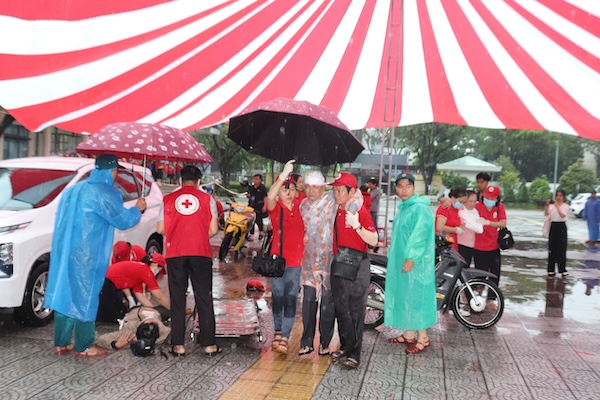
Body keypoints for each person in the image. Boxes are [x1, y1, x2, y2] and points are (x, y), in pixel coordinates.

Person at [44, 154, 146, 357]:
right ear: (111, 171)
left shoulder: (72, 189)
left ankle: (61, 343)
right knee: (85, 297)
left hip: (65, 252)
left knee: (66, 294)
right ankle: (84, 346)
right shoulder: (107, 193)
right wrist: (138, 209)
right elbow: (123, 220)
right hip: (87, 256)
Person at [157, 165, 219, 357]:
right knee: (204, 298)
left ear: (180, 181)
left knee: (178, 299)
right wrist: (198, 236)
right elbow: (214, 229)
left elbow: (160, 229)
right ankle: (209, 345)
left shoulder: (167, 200)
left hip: (176, 254)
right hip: (200, 253)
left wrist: (177, 235)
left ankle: (178, 345)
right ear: (199, 181)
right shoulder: (208, 199)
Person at [330, 172, 378, 369]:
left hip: (358, 264)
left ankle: (355, 353)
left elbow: (374, 240)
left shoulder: (360, 211)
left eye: (340, 190)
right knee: (341, 308)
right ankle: (346, 345)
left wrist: (357, 225)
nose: (336, 194)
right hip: (340, 262)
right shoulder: (337, 210)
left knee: (356, 309)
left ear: (351, 192)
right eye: (334, 190)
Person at [385, 173, 436, 354]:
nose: (403, 190)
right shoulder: (404, 208)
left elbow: (419, 235)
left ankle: (423, 337)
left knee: (415, 298)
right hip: (403, 262)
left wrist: (411, 258)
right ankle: (409, 334)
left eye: (408, 186)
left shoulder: (419, 209)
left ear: (414, 188)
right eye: (400, 186)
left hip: (415, 264)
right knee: (406, 295)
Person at [265, 161, 305, 355]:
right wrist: (283, 175)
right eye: (284, 188)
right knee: (278, 298)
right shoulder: (276, 208)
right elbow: (270, 196)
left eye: (291, 188)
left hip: (296, 263)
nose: (288, 192)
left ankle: (286, 337)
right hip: (277, 262)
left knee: (290, 299)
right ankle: (278, 331)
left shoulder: (301, 205)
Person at [97, 253, 170, 323]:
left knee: (116, 312)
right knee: (113, 316)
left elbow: (141, 297)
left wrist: (153, 310)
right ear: (155, 265)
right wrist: (174, 310)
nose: (157, 273)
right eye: (159, 270)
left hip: (104, 283)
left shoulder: (139, 270)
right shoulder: (146, 271)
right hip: (105, 284)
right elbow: (159, 296)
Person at [474, 185, 507, 306]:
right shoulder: (477, 206)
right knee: (480, 274)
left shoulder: (499, 207)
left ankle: (491, 299)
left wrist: (489, 223)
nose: (489, 199)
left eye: (492, 198)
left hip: (494, 246)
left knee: (495, 274)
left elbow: (503, 223)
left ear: (497, 198)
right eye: (487, 197)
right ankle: (476, 296)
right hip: (479, 247)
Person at [96, 307, 170, 353]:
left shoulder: (130, 330)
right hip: (142, 311)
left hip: (139, 311)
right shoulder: (130, 329)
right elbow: (101, 339)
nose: (151, 320)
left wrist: (115, 344)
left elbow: (101, 339)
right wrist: (115, 344)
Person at [545, 189, 569, 277]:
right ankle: (551, 269)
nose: (558, 197)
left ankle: (562, 269)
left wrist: (557, 206)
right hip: (553, 226)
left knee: (562, 248)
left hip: (561, 226)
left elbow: (563, 215)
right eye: (557, 196)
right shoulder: (552, 206)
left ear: (563, 197)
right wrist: (548, 205)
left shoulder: (565, 206)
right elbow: (546, 213)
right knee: (552, 247)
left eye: (560, 196)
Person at [457, 190, 484, 267]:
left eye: (475, 201)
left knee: (466, 266)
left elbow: (479, 230)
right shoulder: (460, 210)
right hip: (461, 244)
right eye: (470, 201)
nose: (473, 204)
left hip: (471, 245)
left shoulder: (475, 212)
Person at [246, 174, 267, 240]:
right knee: (251, 220)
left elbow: (265, 197)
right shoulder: (251, 188)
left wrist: (265, 206)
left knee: (259, 220)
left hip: (259, 206)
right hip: (251, 206)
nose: (255, 180)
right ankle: (251, 235)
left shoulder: (262, 188)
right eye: (254, 179)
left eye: (257, 179)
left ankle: (261, 233)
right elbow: (249, 195)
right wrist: (248, 195)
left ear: (260, 180)